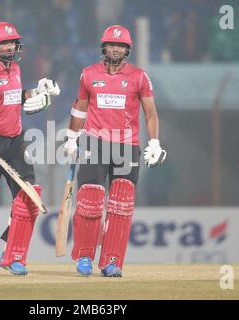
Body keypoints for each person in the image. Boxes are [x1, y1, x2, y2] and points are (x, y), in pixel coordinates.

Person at [64, 25, 166, 277]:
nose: (116, 49)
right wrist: (71, 137)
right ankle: (85, 257)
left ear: (127, 50)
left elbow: (150, 113)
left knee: (121, 206)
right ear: (104, 47)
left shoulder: (139, 77)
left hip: (127, 145)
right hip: (95, 143)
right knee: (89, 202)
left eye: (121, 45)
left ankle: (112, 261)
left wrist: (154, 142)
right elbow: (80, 109)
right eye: (112, 44)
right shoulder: (88, 74)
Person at [0, 21, 60, 276]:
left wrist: (36, 92)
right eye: (4, 42)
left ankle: (13, 256)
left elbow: (14, 96)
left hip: (16, 140)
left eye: (12, 41)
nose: (9, 46)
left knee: (30, 195)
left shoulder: (15, 67)